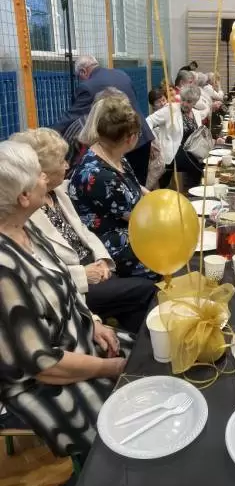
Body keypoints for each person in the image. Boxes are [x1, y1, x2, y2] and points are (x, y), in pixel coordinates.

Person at [0, 140, 132, 461]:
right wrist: (110, 367)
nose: (46, 178)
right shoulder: (4, 270)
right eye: (39, 175)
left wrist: (94, 322)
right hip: (42, 381)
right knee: (125, 428)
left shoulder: (26, 229)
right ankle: (90, 481)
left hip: (78, 343)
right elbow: (42, 364)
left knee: (150, 359)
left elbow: (67, 288)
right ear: (23, 196)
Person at [11, 128, 156, 334]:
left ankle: (142, 345)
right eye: (62, 161)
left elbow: (84, 232)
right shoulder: (25, 213)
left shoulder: (59, 192)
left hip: (97, 267)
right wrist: (84, 275)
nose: (67, 165)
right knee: (146, 289)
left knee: (134, 306)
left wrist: (103, 260)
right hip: (75, 285)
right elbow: (40, 270)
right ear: (43, 171)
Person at [69, 95, 155, 279]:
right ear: (131, 138)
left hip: (130, 227)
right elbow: (140, 218)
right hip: (111, 248)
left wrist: (152, 195)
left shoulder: (111, 153)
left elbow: (133, 185)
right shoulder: (101, 176)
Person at [53, 55, 153, 186]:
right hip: (141, 136)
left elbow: (72, 116)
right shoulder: (121, 74)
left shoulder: (88, 87)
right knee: (136, 186)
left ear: (83, 71)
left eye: (79, 76)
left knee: (122, 187)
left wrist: (50, 134)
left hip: (119, 142)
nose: (80, 80)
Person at [146, 85, 209, 189]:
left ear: (194, 102)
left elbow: (206, 110)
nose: (184, 103)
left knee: (204, 162)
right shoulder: (170, 109)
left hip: (191, 152)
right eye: (183, 100)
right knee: (197, 167)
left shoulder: (196, 114)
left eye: (189, 101)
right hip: (174, 152)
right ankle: (194, 190)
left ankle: (193, 190)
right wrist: (152, 141)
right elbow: (148, 121)